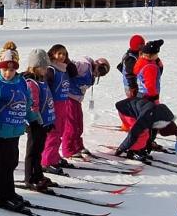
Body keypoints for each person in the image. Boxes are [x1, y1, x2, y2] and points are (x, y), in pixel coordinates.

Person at [0, 41, 38, 205]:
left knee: (13, 161)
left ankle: (9, 191)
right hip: (0, 130)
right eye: (5, 69)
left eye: (12, 69)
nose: (8, 73)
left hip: (16, 129)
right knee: (5, 162)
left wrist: (33, 120)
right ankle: (3, 193)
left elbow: (27, 103)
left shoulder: (21, 82)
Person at [114, 40, 177, 160]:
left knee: (148, 124)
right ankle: (140, 147)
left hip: (141, 96)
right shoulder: (150, 67)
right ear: (152, 55)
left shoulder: (141, 62)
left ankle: (144, 145)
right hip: (149, 98)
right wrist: (154, 97)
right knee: (149, 124)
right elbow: (150, 85)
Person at [21, 49, 58, 191]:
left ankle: (38, 175)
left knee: (39, 150)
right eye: (42, 67)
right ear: (34, 67)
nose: (45, 70)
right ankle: (30, 178)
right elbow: (33, 106)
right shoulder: (31, 83)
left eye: (46, 67)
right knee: (33, 151)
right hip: (35, 123)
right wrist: (38, 121)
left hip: (44, 123)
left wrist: (49, 121)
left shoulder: (41, 80)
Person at [66, 55, 112, 160]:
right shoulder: (84, 65)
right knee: (71, 126)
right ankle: (68, 149)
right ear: (96, 64)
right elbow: (69, 67)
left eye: (103, 73)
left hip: (76, 99)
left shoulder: (91, 72)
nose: (99, 73)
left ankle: (77, 146)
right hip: (68, 98)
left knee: (79, 125)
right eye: (100, 69)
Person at [42, 44, 76, 173]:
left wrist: (67, 61)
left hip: (63, 104)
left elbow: (74, 72)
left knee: (60, 133)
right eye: (59, 54)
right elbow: (47, 87)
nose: (62, 56)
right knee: (53, 134)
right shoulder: (51, 69)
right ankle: (47, 161)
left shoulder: (64, 68)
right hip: (54, 105)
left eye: (64, 54)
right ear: (52, 54)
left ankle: (54, 157)